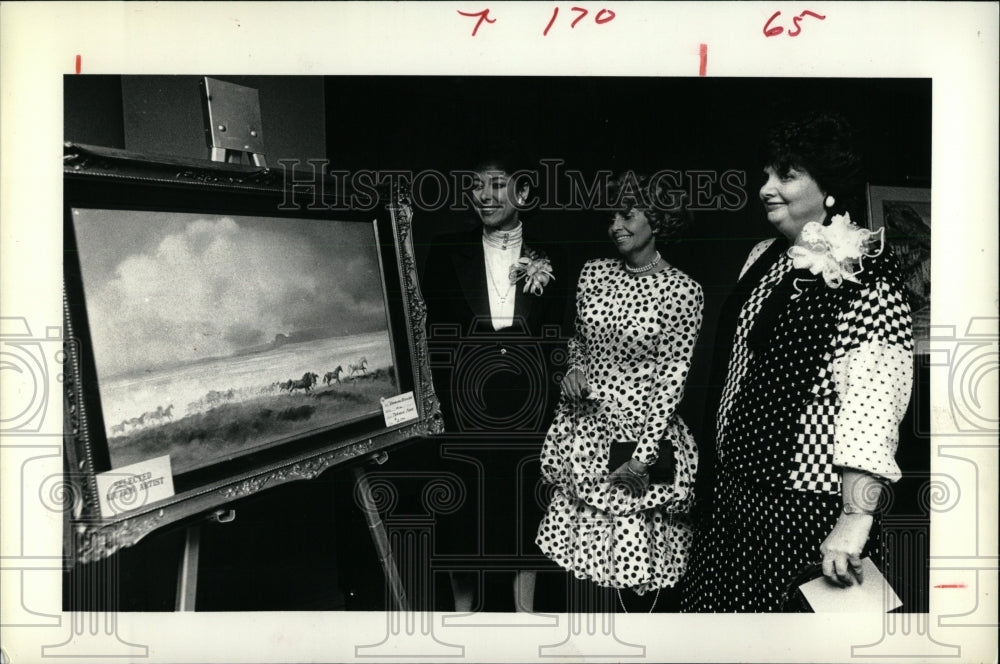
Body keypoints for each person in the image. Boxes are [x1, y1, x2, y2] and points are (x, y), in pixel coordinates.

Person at [681, 113, 915, 612]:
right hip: (735, 495)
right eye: (766, 173)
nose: (766, 187)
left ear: (828, 188)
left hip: (803, 506)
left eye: (786, 175)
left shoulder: (867, 272)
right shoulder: (764, 256)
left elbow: (872, 405)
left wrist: (854, 519)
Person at [535, 173, 702, 611]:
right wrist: (574, 367)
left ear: (658, 221)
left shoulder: (683, 290)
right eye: (611, 216)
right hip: (586, 433)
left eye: (626, 214)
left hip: (640, 437)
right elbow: (578, 339)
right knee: (589, 566)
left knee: (637, 566)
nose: (615, 225)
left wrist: (643, 458)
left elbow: (672, 380)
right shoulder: (594, 273)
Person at [415, 144, 567, 612]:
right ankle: (463, 618)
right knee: (463, 513)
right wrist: (439, 404)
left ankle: (525, 616)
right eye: (476, 187)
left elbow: (559, 336)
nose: (484, 195)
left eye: (496, 184)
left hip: (531, 409)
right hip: (464, 406)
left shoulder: (553, 254)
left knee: (526, 508)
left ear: (522, 192)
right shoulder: (446, 252)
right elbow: (429, 335)